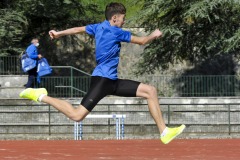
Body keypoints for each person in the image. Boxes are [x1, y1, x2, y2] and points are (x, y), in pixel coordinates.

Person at [20, 2, 185, 144]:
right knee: (77, 116)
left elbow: (79, 29)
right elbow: (142, 41)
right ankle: (40, 95)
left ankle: (164, 132)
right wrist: (154, 35)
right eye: (123, 18)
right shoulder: (115, 31)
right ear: (114, 18)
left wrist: (59, 33)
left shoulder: (98, 27)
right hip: (102, 81)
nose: (124, 20)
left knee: (150, 91)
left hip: (112, 82)